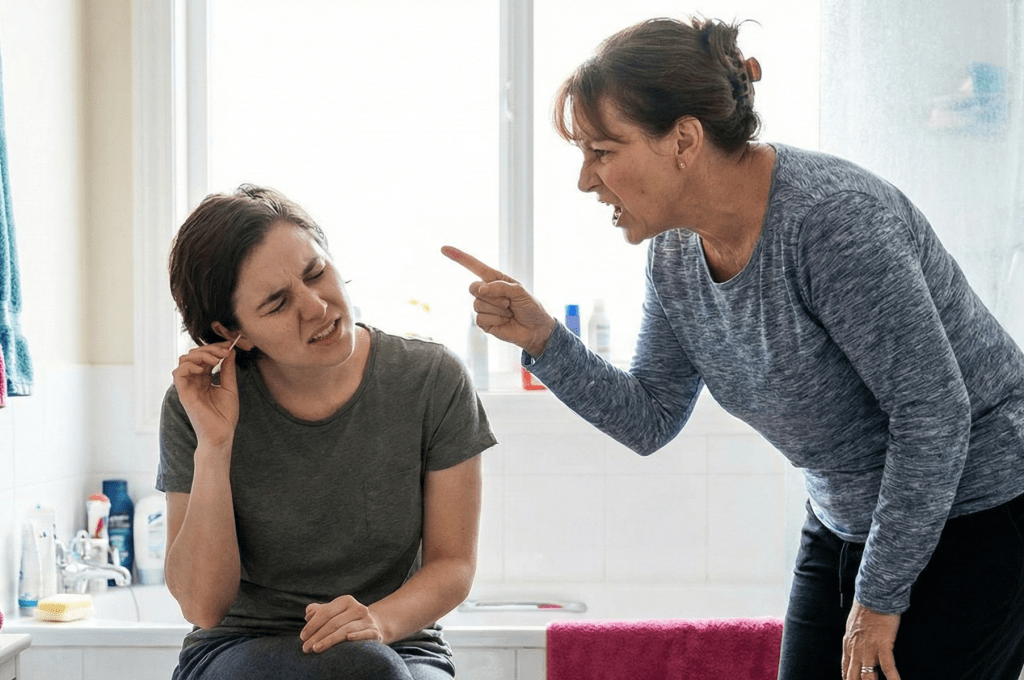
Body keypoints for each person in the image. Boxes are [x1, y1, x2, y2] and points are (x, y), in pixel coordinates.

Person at [443, 15, 1024, 680]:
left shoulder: (832, 224)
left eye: (602, 151)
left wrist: (878, 601)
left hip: (977, 509)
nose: (585, 180)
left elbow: (934, 417)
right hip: (844, 514)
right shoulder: (676, 252)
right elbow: (650, 417)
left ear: (683, 141)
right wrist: (543, 339)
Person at [158, 184, 496, 680]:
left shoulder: (431, 380)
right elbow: (204, 608)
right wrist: (215, 445)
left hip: (399, 647)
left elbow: (453, 565)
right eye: (277, 304)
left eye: (316, 272)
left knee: (368, 667)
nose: (316, 306)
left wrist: (376, 621)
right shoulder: (195, 405)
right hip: (241, 647)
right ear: (235, 334)